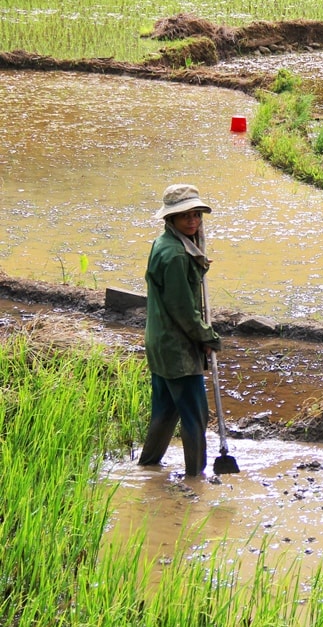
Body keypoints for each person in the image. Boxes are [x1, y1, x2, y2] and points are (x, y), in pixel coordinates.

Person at [138, 183, 222, 478]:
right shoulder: (174, 256)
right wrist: (207, 337)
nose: (192, 221)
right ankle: (195, 476)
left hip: (160, 343)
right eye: (185, 216)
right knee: (194, 417)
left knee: (165, 410)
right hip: (177, 347)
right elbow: (183, 310)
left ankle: (148, 466)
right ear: (170, 219)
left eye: (197, 214)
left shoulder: (167, 244)